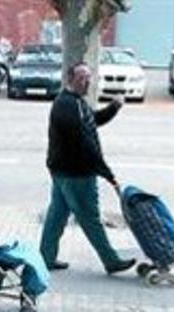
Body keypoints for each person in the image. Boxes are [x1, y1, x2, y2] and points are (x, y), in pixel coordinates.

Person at [40, 61, 135, 274]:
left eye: (89, 77)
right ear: (70, 79)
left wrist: (114, 107)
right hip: (76, 174)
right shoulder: (68, 106)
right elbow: (86, 145)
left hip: (63, 171)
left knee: (56, 215)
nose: (87, 81)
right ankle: (111, 261)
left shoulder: (75, 102)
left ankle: (45, 258)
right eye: (82, 77)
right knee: (90, 218)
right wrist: (108, 175)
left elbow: (93, 120)